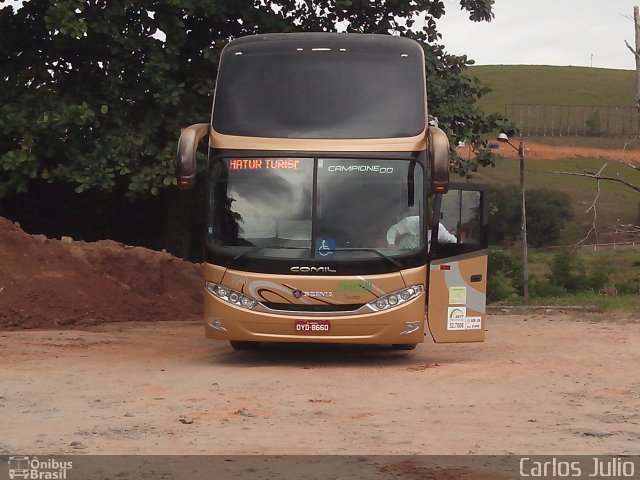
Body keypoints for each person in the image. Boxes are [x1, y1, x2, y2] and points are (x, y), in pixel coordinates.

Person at [386, 212, 456, 249]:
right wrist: (391, 243)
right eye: (428, 225)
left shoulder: (439, 228)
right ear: (424, 218)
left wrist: (462, 245)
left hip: (423, 260)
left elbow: (450, 238)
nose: (428, 228)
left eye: (430, 227)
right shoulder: (410, 221)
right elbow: (393, 230)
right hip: (404, 255)